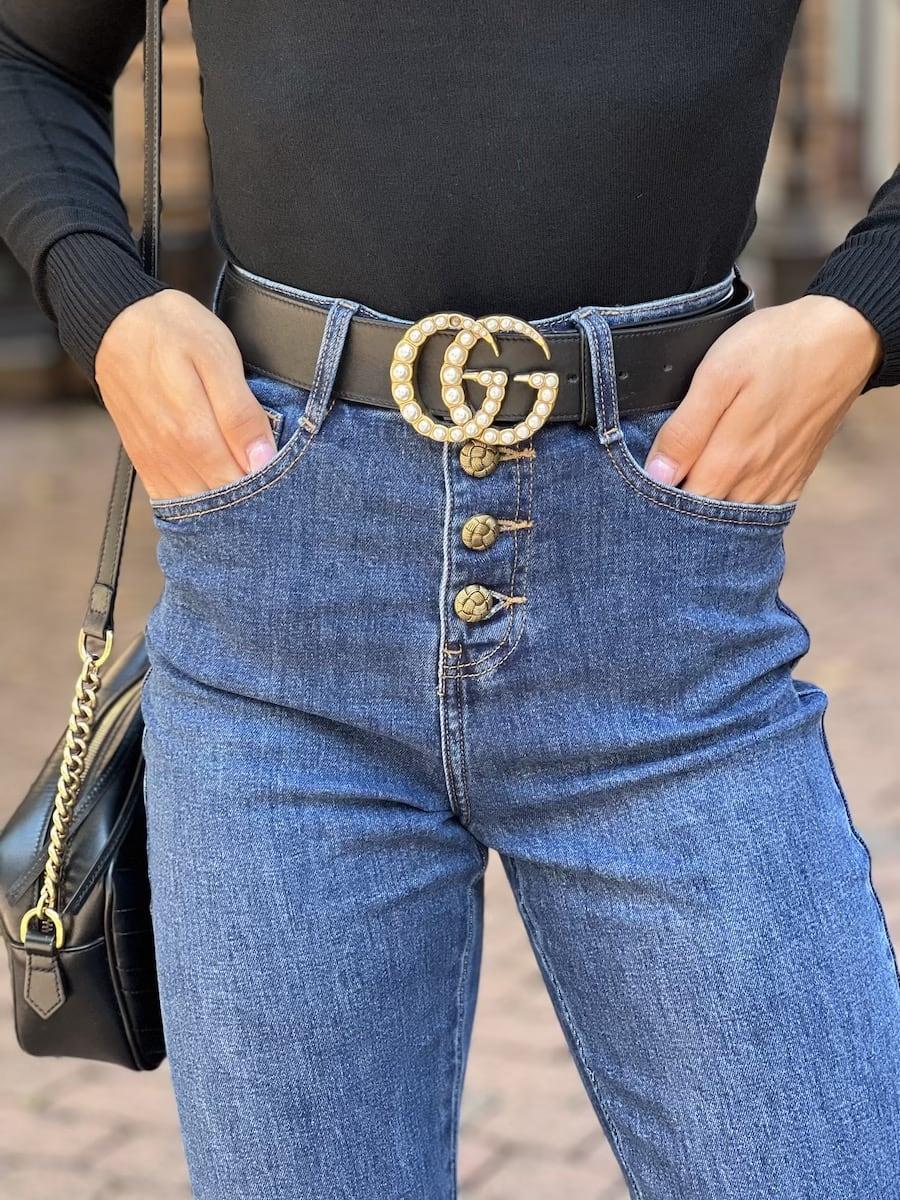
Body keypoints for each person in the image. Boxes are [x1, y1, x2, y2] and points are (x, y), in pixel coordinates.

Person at [1, 2, 899, 1197]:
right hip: (278, 613)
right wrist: (106, 308)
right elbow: (25, 52)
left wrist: (858, 315)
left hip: (666, 612)